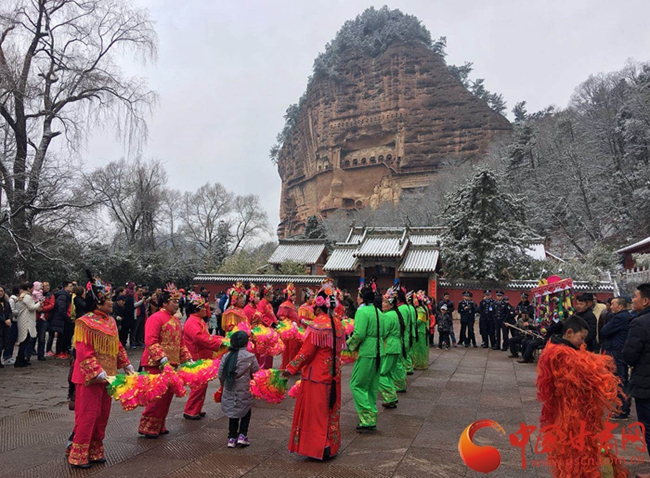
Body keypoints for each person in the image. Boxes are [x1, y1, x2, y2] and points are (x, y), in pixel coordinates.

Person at [537, 315, 626, 477]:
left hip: (571, 409)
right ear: (569, 333)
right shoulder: (561, 353)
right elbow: (586, 372)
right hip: (571, 413)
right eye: (581, 338)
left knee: (576, 448)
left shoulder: (560, 348)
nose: (583, 342)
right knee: (576, 448)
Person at [68, 283, 134, 469]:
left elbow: (117, 345)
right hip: (89, 378)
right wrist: (97, 371)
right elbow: (83, 352)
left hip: (108, 377)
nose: (112, 303)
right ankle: (78, 455)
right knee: (87, 415)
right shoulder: (84, 322)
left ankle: (95, 451)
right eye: (108, 299)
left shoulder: (111, 321)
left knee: (102, 415)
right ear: (98, 302)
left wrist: (126, 364)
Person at [283, 283, 344, 460]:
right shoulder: (338, 324)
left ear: (318, 305)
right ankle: (331, 445)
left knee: (316, 413)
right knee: (331, 410)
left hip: (316, 375)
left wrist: (290, 368)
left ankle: (319, 446)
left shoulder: (317, 324)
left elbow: (306, 353)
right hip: (334, 374)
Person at [138, 283, 192, 438]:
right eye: (174, 301)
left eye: (177, 301)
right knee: (156, 397)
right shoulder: (156, 318)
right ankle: (148, 426)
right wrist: (161, 358)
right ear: (164, 303)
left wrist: (187, 359)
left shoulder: (175, 320)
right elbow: (151, 340)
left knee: (167, 397)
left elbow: (181, 343)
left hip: (172, 363)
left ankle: (159, 424)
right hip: (156, 363)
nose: (177, 304)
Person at [347, 285, 385, 431]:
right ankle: (371, 415)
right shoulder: (378, 311)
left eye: (358, 295)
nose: (356, 298)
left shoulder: (362, 311)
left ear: (362, 297)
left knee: (357, 384)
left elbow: (359, 334)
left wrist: (349, 344)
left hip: (367, 351)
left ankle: (367, 417)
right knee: (371, 386)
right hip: (379, 350)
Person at [183, 292, 224, 420]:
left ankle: (196, 409)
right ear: (197, 309)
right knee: (198, 385)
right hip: (197, 357)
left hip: (202, 356)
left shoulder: (198, 320)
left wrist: (220, 339)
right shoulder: (192, 322)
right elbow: (200, 339)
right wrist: (219, 343)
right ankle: (190, 410)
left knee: (202, 385)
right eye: (203, 306)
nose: (206, 309)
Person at [622, 283, 650, 465]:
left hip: (646, 385)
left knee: (648, 426)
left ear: (646, 301)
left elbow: (629, 355)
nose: (632, 300)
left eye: (635, 296)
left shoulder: (639, 322)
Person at [219, 330, 259, 448]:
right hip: (244, 389)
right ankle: (242, 435)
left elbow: (221, 374)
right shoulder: (250, 357)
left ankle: (231, 438)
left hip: (229, 389)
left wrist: (223, 385)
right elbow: (257, 372)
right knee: (246, 411)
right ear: (246, 343)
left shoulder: (226, 356)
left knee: (233, 413)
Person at [600, 296, 632, 420]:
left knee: (620, 382)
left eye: (613, 304)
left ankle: (622, 410)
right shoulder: (626, 316)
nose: (611, 306)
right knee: (621, 381)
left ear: (621, 306)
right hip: (619, 351)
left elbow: (604, 331)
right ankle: (623, 408)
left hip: (617, 352)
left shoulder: (619, 317)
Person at [378, 287, 402, 409]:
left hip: (389, 346)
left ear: (391, 305)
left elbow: (383, 332)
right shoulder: (395, 314)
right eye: (383, 302)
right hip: (396, 345)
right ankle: (391, 397)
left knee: (381, 373)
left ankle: (390, 396)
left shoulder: (387, 316)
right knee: (389, 373)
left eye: (385, 302)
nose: (383, 304)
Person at [13, 282, 42, 367]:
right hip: (26, 321)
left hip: (23, 320)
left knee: (24, 340)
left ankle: (21, 359)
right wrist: (39, 303)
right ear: (29, 288)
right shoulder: (27, 297)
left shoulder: (22, 296)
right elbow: (32, 307)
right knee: (24, 340)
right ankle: (19, 360)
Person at [279, 283, 301, 370]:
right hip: (289, 332)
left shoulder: (292, 305)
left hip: (295, 331)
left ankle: (293, 367)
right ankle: (287, 367)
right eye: (293, 295)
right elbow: (282, 318)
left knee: (295, 349)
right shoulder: (285, 305)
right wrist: (291, 323)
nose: (295, 296)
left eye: (295, 294)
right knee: (289, 350)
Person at [50, 281, 73, 358]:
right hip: (61, 319)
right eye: (70, 286)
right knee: (61, 336)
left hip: (63, 318)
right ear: (65, 287)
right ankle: (59, 352)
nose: (72, 288)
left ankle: (63, 351)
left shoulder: (66, 296)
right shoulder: (63, 296)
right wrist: (66, 317)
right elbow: (61, 308)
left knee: (64, 336)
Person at [411, 291, 430, 370]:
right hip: (422, 331)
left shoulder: (420, 310)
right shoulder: (423, 308)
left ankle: (420, 363)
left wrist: (411, 324)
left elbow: (419, 321)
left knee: (420, 348)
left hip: (420, 331)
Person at [0, 286, 12, 368]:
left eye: (2, 291)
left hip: (5, 327)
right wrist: (4, 320)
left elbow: (10, 312)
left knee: (4, 344)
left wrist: (9, 319)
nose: (0, 293)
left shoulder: (6, 302)